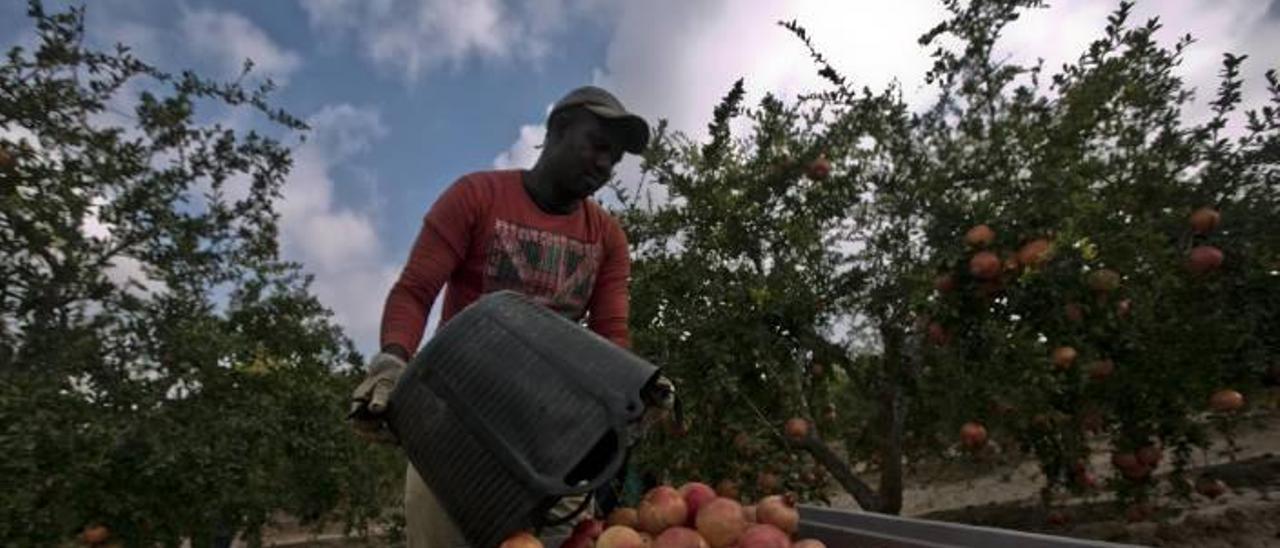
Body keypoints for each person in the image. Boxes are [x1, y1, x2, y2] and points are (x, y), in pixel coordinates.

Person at [348, 86, 651, 548]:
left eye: (615, 159)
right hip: (456, 426)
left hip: (553, 441)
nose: (604, 165)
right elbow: (415, 291)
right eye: (597, 145)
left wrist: (633, 390)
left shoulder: (608, 238)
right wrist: (392, 361)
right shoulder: (476, 196)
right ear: (558, 130)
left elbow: (611, 337)